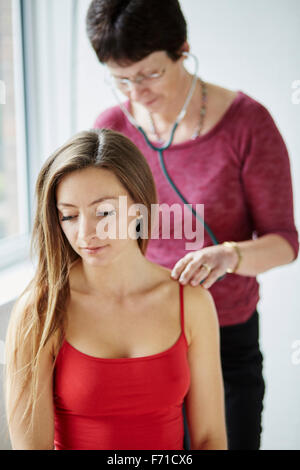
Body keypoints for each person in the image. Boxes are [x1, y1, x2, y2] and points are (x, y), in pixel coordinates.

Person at [85, 0, 299, 450]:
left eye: (149, 74)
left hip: (226, 338)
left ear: (183, 49)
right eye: (121, 79)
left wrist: (230, 255)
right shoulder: (112, 131)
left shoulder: (248, 124)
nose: (136, 93)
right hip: (141, 339)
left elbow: (284, 241)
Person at [4, 128, 227, 450]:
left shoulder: (191, 301)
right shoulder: (41, 309)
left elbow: (210, 439)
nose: (86, 233)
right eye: (69, 216)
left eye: (104, 212)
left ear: (140, 208)